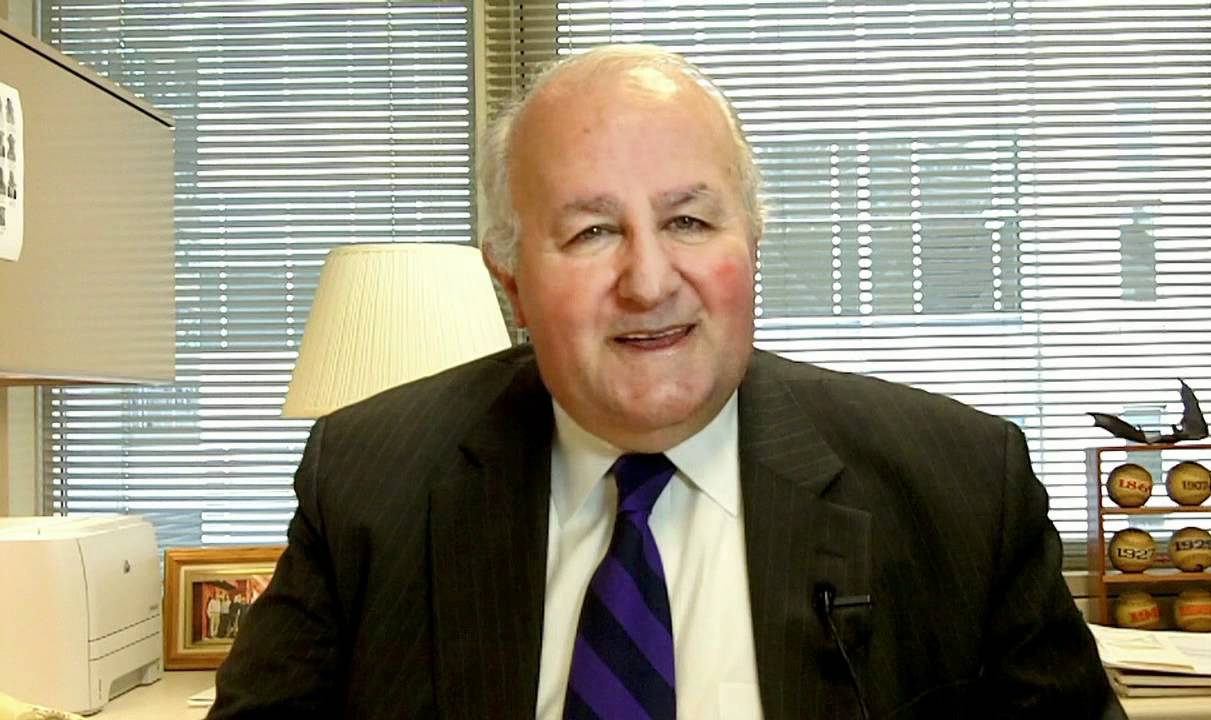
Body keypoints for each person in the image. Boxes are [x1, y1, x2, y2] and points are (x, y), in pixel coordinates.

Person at [209, 45, 1123, 719]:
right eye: (591, 232)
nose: (648, 283)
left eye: (688, 220)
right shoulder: (371, 485)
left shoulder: (961, 486)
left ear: (750, 245)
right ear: (511, 282)